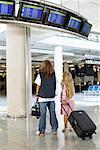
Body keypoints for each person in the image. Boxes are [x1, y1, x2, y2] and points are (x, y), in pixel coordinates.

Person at [34, 60, 58, 136]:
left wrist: (37, 95)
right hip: (52, 97)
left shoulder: (40, 75)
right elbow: (55, 84)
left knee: (43, 115)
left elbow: (38, 85)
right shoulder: (53, 74)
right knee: (53, 113)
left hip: (42, 98)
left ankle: (42, 131)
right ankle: (54, 130)